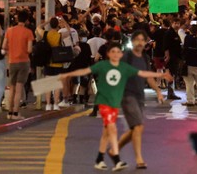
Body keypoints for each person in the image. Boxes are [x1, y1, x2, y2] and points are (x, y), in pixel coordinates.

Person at [60, 41, 171, 171]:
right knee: (119, 128)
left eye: (118, 52)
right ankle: (122, 159)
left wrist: (160, 80)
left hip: (120, 101)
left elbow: (144, 74)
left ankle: (102, 157)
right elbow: (86, 71)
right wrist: (67, 74)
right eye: (113, 52)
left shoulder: (129, 65)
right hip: (113, 100)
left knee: (112, 131)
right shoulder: (108, 65)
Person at [117, 30, 164, 170]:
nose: (139, 42)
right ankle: (139, 158)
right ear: (132, 42)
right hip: (127, 95)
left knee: (134, 128)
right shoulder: (126, 57)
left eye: (142, 40)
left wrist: (158, 91)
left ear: (145, 43)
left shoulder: (144, 58)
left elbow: (148, 77)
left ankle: (115, 149)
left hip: (139, 96)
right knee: (138, 126)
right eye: (136, 40)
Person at [2, 11, 33, 120]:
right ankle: (16, 113)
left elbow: (4, 46)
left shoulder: (9, 31)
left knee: (12, 88)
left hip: (12, 62)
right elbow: (29, 49)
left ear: (17, 19)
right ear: (26, 20)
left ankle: (9, 113)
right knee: (19, 89)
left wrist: (10, 53)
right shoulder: (28, 32)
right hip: (24, 62)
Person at [182, 23, 197, 106]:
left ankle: (190, 101)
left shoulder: (186, 38)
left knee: (189, 84)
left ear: (189, 30)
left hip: (189, 64)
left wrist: (186, 25)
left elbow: (180, 30)